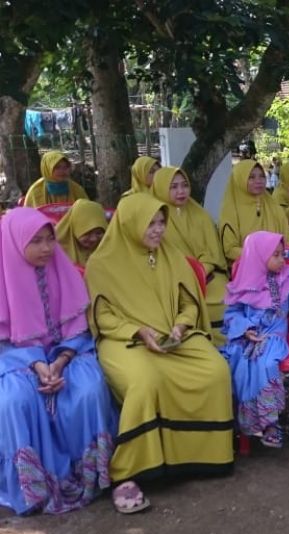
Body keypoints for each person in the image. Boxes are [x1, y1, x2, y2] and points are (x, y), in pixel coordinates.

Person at [86, 193, 234, 513]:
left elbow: (188, 303)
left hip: (172, 335)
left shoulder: (170, 255)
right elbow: (102, 317)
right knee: (145, 380)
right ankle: (127, 472)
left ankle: (198, 457)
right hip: (123, 339)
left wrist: (180, 326)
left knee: (215, 369)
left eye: (161, 222)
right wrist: (137, 331)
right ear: (129, 224)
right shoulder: (101, 263)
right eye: (150, 223)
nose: (158, 230)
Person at [0, 208, 116, 515]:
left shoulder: (62, 269)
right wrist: (37, 365)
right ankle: (33, 489)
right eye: (36, 241)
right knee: (14, 400)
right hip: (14, 360)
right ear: (13, 243)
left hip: (68, 352)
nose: (46, 248)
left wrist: (61, 360)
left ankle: (92, 476)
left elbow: (80, 326)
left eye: (50, 239)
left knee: (90, 388)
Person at [220, 232, 289, 449]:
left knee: (266, 363)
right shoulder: (244, 282)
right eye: (275, 255)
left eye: (282, 254)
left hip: (273, 337)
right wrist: (245, 329)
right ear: (258, 257)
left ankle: (271, 423)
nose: (281, 260)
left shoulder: (286, 279)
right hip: (247, 339)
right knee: (240, 363)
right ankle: (249, 423)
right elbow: (232, 315)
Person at [151, 166, 230, 341]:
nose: (181, 191)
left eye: (184, 185)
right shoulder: (154, 219)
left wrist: (202, 269)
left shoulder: (200, 214)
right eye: (173, 187)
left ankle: (227, 347)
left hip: (206, 273)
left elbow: (213, 252)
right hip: (172, 279)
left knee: (224, 295)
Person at [219, 159, 289, 264]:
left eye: (262, 176)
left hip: (278, 266)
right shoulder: (231, 210)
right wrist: (262, 257)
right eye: (251, 177)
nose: (258, 181)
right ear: (240, 180)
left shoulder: (274, 207)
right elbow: (229, 250)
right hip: (244, 268)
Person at [23, 151, 89, 207]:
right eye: (57, 168)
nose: (62, 171)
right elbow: (29, 217)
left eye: (65, 167)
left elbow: (86, 210)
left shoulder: (76, 189)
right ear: (47, 169)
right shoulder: (35, 191)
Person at [55, 199, 107, 266]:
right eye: (87, 233)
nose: (93, 239)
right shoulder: (54, 250)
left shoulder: (109, 247)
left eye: (99, 233)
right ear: (75, 228)